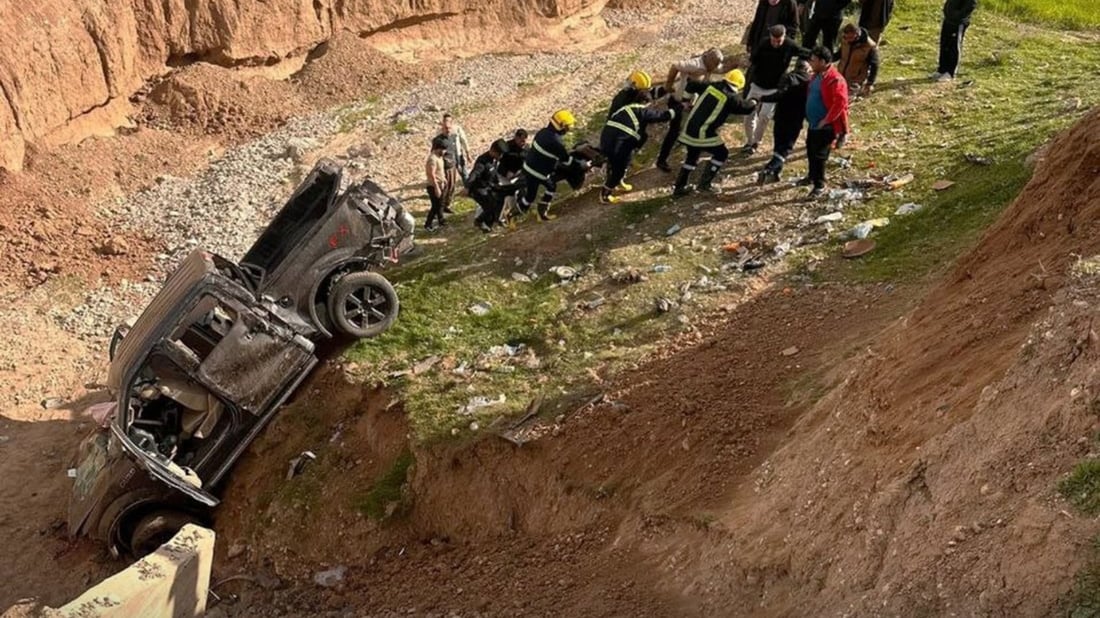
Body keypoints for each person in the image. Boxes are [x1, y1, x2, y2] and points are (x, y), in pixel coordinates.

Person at [672, 69, 758, 196]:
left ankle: (679, 187)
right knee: (721, 153)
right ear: (739, 86)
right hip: (703, 133)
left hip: (689, 129)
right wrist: (754, 101)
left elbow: (691, 84)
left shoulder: (710, 86)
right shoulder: (731, 98)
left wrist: (686, 100)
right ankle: (704, 184)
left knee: (692, 156)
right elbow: (745, 108)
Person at [599, 89, 677, 204]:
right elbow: (662, 116)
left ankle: (618, 182)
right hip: (619, 145)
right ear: (645, 102)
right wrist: (677, 109)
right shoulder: (641, 110)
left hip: (606, 141)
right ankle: (606, 194)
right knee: (619, 169)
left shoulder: (623, 109)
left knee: (616, 162)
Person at [656, 48, 725, 173]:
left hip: (690, 104)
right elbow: (675, 66)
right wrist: (668, 84)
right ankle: (662, 160)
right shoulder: (695, 64)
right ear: (708, 60)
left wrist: (736, 64)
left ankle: (691, 152)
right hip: (678, 102)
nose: (715, 68)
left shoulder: (710, 65)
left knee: (692, 128)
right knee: (674, 131)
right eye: (714, 64)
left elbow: (722, 70)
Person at [743, 25, 806, 154]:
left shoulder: (790, 45)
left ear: (784, 37)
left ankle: (756, 142)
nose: (776, 43)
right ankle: (749, 141)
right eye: (773, 40)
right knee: (748, 115)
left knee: (764, 116)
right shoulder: (764, 44)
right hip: (757, 84)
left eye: (779, 41)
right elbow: (752, 60)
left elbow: (804, 52)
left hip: (773, 88)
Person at [803, 46, 849, 199]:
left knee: (819, 155)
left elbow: (840, 103)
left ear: (823, 62)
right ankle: (811, 176)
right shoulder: (816, 76)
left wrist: (826, 120)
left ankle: (819, 184)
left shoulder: (835, 79)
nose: (811, 62)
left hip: (825, 126)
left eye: (813, 60)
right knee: (810, 150)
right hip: (814, 124)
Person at [756, 57, 812, 184]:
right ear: (807, 68)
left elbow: (779, 95)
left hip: (781, 117)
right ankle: (769, 169)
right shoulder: (810, 81)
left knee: (778, 145)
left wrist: (763, 98)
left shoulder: (787, 77)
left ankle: (775, 173)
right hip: (795, 119)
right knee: (786, 148)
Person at [517, 110, 578, 222]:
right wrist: (579, 163)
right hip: (540, 172)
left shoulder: (542, 132)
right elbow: (567, 161)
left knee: (530, 196)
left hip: (528, 167)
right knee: (551, 186)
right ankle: (542, 213)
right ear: (561, 126)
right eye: (567, 127)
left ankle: (514, 215)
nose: (568, 129)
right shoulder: (557, 142)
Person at [934, 0, 977, 81]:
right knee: (944, 44)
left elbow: (971, 5)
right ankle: (941, 70)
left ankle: (950, 73)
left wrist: (957, 15)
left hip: (958, 22)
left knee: (954, 46)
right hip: (948, 19)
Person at [470, 141, 506, 233]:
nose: (501, 157)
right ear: (493, 151)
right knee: (490, 206)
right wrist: (467, 187)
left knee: (500, 199)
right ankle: (480, 221)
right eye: (499, 154)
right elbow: (474, 174)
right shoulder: (482, 161)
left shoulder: (494, 159)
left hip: (489, 186)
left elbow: (493, 173)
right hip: (479, 188)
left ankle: (493, 221)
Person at [836, 23, 880, 97]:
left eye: (850, 38)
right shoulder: (845, 41)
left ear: (857, 35)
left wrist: (869, 83)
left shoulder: (869, 47)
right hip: (841, 77)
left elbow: (875, 65)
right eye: (846, 37)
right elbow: (839, 55)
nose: (848, 40)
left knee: (845, 99)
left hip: (856, 81)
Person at [434, 116, 460, 214]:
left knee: (451, 187)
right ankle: (439, 208)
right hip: (443, 168)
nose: (448, 130)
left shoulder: (453, 137)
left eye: (449, 128)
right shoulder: (438, 140)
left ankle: (447, 205)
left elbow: (455, 150)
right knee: (443, 188)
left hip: (452, 166)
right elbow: (434, 154)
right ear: (442, 128)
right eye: (445, 128)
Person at [424, 137, 448, 231]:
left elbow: (440, 171)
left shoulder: (439, 157)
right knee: (435, 206)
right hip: (434, 185)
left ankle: (441, 221)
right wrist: (436, 187)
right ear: (438, 148)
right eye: (443, 149)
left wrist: (444, 179)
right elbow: (432, 174)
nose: (444, 151)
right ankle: (428, 224)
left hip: (441, 183)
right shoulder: (432, 159)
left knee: (441, 204)